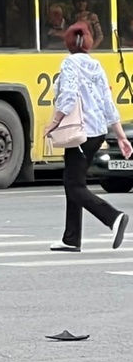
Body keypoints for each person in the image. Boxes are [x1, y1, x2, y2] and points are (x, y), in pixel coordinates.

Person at [46, 22, 132, 251]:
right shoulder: (96, 65)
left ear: (68, 43)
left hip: (80, 133)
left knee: (74, 185)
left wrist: (53, 124)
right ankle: (71, 239)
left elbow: (68, 96)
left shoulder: (69, 63)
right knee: (74, 182)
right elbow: (108, 103)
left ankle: (113, 218)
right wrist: (121, 136)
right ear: (88, 42)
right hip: (97, 132)